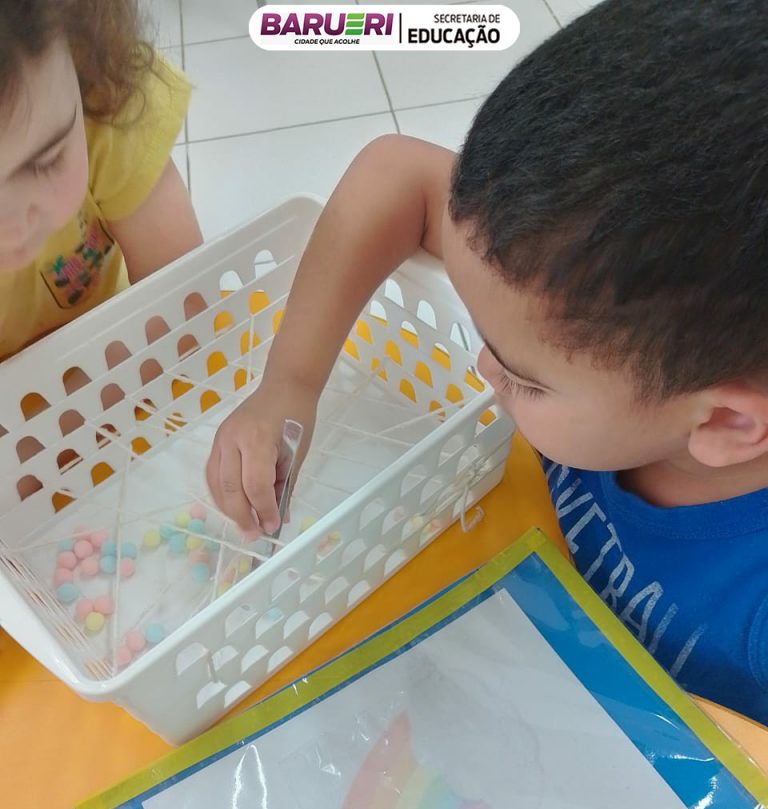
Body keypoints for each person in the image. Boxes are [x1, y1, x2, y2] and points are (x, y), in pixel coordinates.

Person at [206, 0, 768, 725]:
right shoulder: (587, 281)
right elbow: (398, 172)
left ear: (726, 423)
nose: (483, 368)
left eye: (524, 381)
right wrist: (289, 383)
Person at [0, 0, 201, 359]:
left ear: (82, 51)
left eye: (46, 161)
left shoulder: (108, 108)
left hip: (128, 346)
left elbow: (184, 310)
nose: (13, 232)